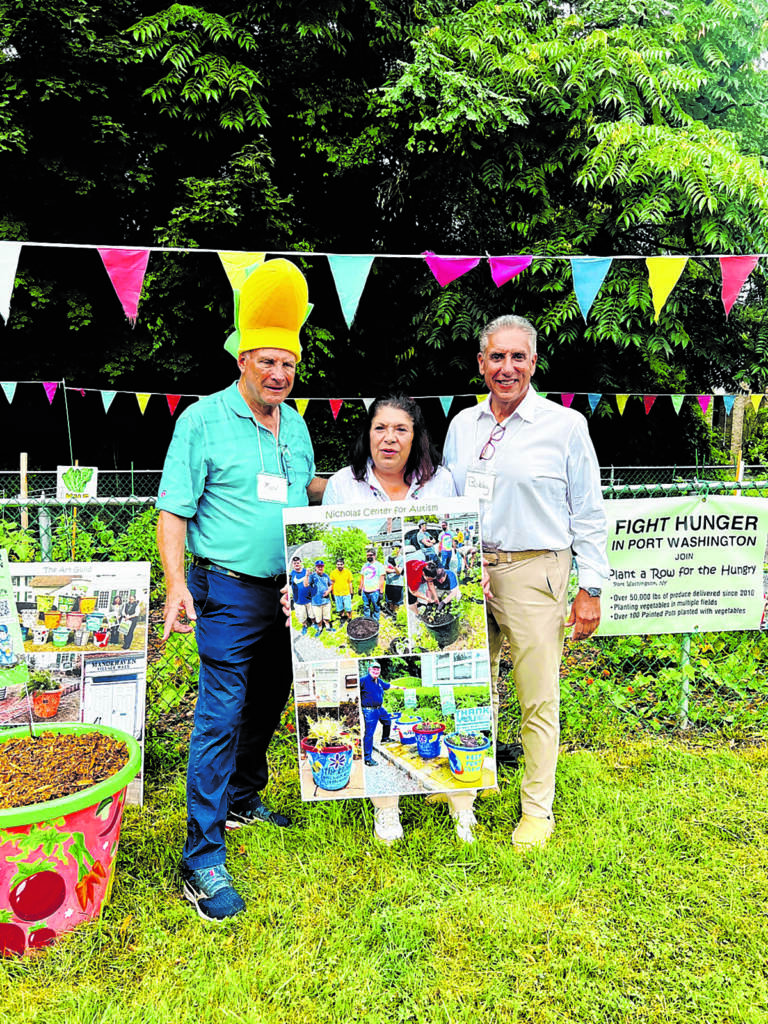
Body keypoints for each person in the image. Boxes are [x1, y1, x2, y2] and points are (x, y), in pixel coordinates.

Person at [156, 258, 326, 922]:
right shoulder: (201, 422)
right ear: (242, 359)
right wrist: (176, 584)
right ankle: (201, 859)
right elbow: (174, 509)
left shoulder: (299, 426)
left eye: (288, 364)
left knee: (273, 696)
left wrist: (361, 491)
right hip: (226, 591)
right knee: (221, 715)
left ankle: (243, 797)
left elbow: (305, 492)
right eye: (267, 362)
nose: (279, 374)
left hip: (291, 591)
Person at [444, 314, 609, 853]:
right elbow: (446, 503)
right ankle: (463, 780)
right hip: (471, 572)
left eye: (518, 357)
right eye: (497, 357)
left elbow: (588, 511)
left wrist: (592, 588)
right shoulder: (462, 425)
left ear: (534, 363)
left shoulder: (564, 426)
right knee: (465, 686)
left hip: (537, 570)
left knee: (537, 698)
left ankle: (536, 810)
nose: (507, 368)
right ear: (481, 363)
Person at [322, 394, 478, 844]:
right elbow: (334, 554)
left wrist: (472, 578)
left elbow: (453, 543)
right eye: (380, 428)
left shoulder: (440, 482)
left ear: (416, 437)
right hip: (383, 599)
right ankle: (386, 810)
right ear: (367, 434)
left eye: (401, 429)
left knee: (445, 687)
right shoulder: (342, 486)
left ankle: (461, 804)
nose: (389, 438)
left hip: (430, 596)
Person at [359, 660, 392, 765]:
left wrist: (401, 688)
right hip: (369, 711)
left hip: (380, 708)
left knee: (387, 721)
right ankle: (367, 759)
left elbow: (388, 686)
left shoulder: (379, 681)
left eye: (378, 669)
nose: (376, 671)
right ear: (369, 669)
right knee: (369, 733)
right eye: (374, 668)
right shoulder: (363, 680)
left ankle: (385, 739)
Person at [308, 559, 335, 636]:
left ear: (323, 567)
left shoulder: (326, 575)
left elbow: (331, 585)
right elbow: (306, 585)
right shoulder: (312, 576)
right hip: (316, 602)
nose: (320, 568)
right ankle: (319, 629)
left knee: (327, 616)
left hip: (326, 601)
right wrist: (307, 575)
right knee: (318, 618)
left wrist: (328, 591)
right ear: (316, 567)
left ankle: (328, 627)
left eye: (321, 566)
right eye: (318, 566)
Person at [359, 547, 386, 620]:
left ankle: (375, 621)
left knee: (376, 607)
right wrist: (360, 588)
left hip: (375, 591)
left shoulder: (379, 566)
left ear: (374, 555)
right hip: (365, 591)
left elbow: (381, 579)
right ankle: (367, 620)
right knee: (366, 606)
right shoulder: (364, 565)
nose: (369, 557)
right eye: (367, 555)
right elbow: (362, 577)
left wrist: (381, 592)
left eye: (370, 555)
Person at [289, 555, 312, 635]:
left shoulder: (307, 572)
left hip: (309, 598)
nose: (296, 565)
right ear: (292, 564)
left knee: (312, 613)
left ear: (301, 563)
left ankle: (314, 623)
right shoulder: (291, 574)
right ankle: (304, 625)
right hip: (298, 600)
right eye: (295, 563)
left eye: (298, 563)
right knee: (301, 616)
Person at [329, 557, 354, 623]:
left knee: (348, 607)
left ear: (343, 565)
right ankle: (342, 617)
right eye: (338, 564)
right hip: (337, 593)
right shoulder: (333, 573)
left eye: (341, 564)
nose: (339, 566)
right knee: (340, 607)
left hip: (346, 593)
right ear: (336, 565)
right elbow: (332, 583)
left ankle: (349, 618)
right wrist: (332, 593)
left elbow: (350, 582)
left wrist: (351, 592)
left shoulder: (347, 572)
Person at [383, 547, 404, 617]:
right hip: (389, 582)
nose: (395, 550)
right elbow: (385, 569)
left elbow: (399, 572)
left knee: (397, 602)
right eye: (393, 548)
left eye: (397, 548)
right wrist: (395, 570)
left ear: (400, 549)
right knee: (389, 601)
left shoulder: (402, 558)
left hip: (398, 584)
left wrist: (394, 565)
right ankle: (390, 614)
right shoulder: (387, 558)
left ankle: (396, 616)